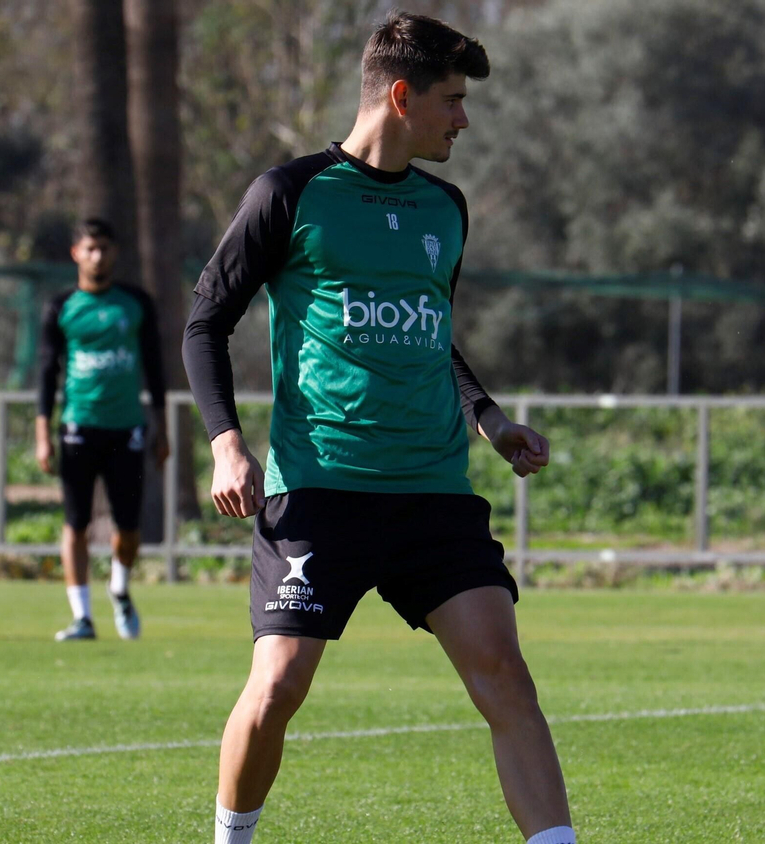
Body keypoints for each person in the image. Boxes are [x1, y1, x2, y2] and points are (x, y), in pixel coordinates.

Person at [182, 12, 574, 844]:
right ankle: (231, 838)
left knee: (506, 677)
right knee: (280, 684)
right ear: (401, 96)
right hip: (321, 488)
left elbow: (434, 330)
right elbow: (206, 321)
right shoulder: (288, 194)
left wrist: (490, 418)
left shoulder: (445, 208)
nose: (463, 120)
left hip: (433, 492)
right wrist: (226, 442)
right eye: (453, 101)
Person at [36, 218, 170, 642]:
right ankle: (82, 617)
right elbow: (45, 373)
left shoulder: (135, 303)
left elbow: (154, 367)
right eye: (89, 248)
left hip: (127, 428)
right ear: (76, 253)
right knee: (75, 523)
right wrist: (42, 433)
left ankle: (120, 588)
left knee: (127, 528)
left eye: (105, 248)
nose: (98, 256)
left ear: (115, 253)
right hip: (77, 427)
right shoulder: (61, 307)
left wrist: (161, 426)